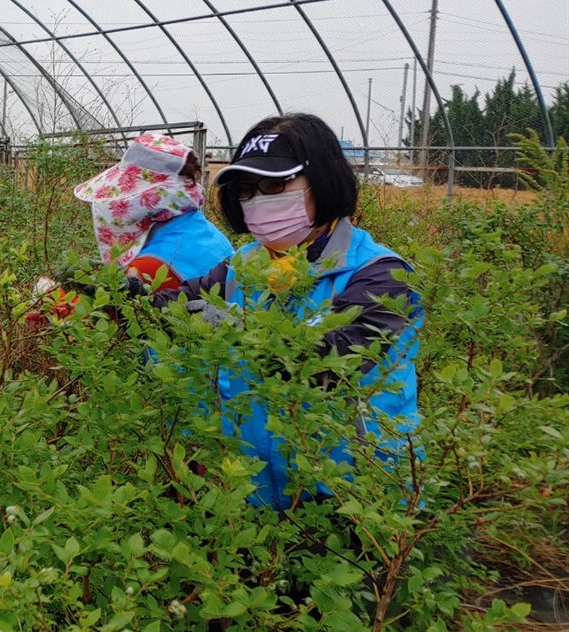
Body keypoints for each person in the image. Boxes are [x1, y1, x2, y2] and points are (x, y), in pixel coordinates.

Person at [152, 113, 420, 510]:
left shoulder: (379, 273)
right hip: (255, 493)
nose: (258, 200)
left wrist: (235, 330)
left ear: (323, 181)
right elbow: (171, 307)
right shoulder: (244, 266)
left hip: (354, 503)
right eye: (246, 190)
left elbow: (324, 368)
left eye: (276, 184)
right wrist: (117, 293)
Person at [32, 134, 231, 320]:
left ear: (148, 198)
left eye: (121, 196)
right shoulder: (203, 230)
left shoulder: (153, 264)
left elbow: (108, 324)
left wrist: (52, 299)